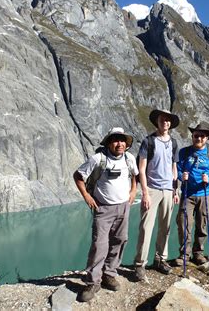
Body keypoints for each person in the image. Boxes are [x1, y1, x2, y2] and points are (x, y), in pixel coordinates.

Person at [73, 127, 138, 302]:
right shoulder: (98, 159)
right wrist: (86, 196)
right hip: (103, 209)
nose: (120, 144)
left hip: (123, 207)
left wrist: (133, 191)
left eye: (122, 140)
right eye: (115, 140)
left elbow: (134, 175)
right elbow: (78, 176)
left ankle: (109, 273)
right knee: (99, 245)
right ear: (109, 143)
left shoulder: (129, 158)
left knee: (120, 240)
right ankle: (93, 282)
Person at [134, 109, 180, 281]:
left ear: (170, 123)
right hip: (152, 189)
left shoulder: (174, 143)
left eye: (168, 120)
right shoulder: (149, 141)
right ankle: (140, 264)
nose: (165, 123)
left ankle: (160, 259)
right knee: (146, 227)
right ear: (157, 122)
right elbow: (142, 169)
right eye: (162, 120)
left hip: (168, 189)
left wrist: (176, 190)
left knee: (165, 227)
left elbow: (174, 168)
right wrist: (145, 193)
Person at [175, 123, 209, 266]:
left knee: (202, 224)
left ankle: (198, 253)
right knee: (184, 223)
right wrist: (183, 176)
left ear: (206, 138)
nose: (198, 138)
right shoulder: (184, 152)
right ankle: (184, 253)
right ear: (192, 136)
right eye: (196, 135)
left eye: (202, 136)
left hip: (205, 194)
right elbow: (177, 169)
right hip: (188, 194)